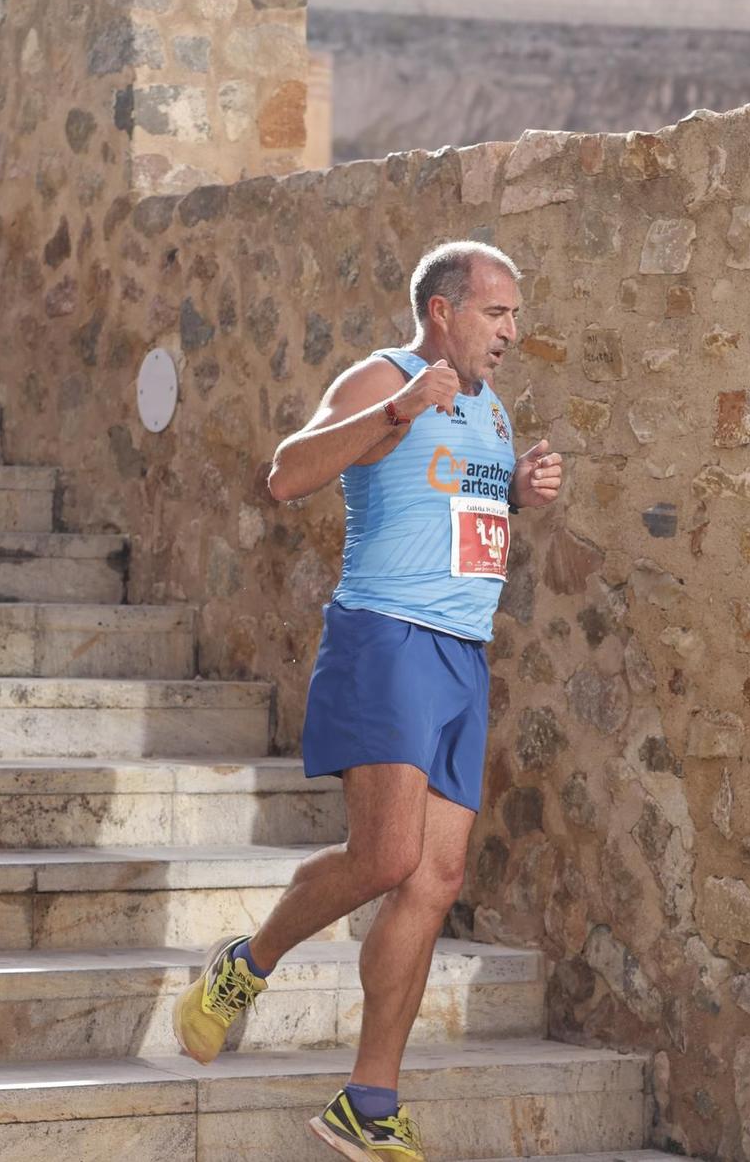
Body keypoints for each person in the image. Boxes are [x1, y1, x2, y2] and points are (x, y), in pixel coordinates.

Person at [172, 240, 563, 1160]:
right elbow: (285, 474)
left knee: (436, 879)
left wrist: (516, 493)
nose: (511, 330)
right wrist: (396, 407)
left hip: (465, 654)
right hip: (385, 637)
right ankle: (247, 965)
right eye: (496, 313)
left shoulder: (495, 412)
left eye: (514, 315)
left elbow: (457, 508)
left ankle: (368, 1101)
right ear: (441, 310)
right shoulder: (383, 376)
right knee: (386, 856)